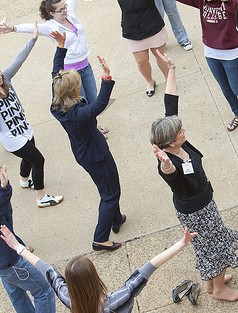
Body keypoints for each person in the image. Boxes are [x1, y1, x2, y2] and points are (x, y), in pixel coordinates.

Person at [150, 52, 238, 302]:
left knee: (211, 243)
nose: (184, 130)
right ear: (169, 142)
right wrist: (167, 164)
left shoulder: (171, 140)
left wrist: (171, 69)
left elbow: (170, 101)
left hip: (202, 203)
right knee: (215, 245)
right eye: (180, 131)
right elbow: (169, 173)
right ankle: (219, 291)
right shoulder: (168, 161)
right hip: (197, 210)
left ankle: (215, 283)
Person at [0, 224, 197, 313]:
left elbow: (45, 268)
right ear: (94, 278)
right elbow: (149, 267)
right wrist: (180, 245)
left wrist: (17, 247)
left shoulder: (68, 297)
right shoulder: (119, 299)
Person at [50, 31, 125, 251]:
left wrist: (61, 46)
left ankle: (116, 218)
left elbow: (56, 71)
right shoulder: (78, 114)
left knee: (108, 185)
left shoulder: (57, 102)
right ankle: (100, 238)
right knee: (110, 193)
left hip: (84, 153)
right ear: (74, 90)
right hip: (96, 155)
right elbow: (99, 105)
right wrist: (107, 77)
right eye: (77, 82)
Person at [0, 0, 109, 135]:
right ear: (52, 13)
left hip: (86, 66)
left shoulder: (69, 13)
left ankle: (94, 125)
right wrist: (11, 28)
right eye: (61, 9)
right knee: (81, 103)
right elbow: (30, 28)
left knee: (93, 99)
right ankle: (92, 132)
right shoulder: (50, 26)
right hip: (71, 73)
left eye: (65, 7)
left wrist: (66, 8)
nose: (65, 10)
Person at [176, 0, 238, 131]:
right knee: (225, 88)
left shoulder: (229, 3)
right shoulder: (202, 2)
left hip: (230, 54)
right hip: (210, 53)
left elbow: (233, 5)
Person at [0, 23, 63, 208]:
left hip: (25, 129)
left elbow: (19, 60)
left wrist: (33, 39)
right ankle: (41, 198)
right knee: (38, 159)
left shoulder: (6, 79)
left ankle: (24, 180)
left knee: (30, 156)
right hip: (12, 139)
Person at [0, 165, 56, 313]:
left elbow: (5, 213)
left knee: (17, 294)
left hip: (4, 265)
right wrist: (4, 189)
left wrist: (4, 188)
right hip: (11, 261)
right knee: (44, 290)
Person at [117, 0, 170, 97]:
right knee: (141, 61)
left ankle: (169, 80)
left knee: (161, 56)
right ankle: (150, 82)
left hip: (151, 22)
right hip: (132, 28)